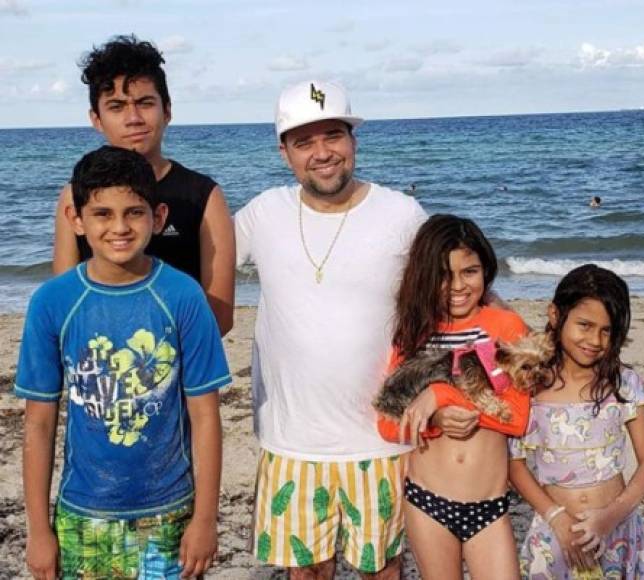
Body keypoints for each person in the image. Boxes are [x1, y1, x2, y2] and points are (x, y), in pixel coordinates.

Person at [235, 80, 428, 578]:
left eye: (333, 136)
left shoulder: (402, 213)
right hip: (291, 440)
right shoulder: (262, 214)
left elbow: (453, 298)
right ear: (284, 152)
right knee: (307, 573)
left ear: (353, 140)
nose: (322, 153)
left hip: (384, 440)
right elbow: (190, 278)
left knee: (383, 570)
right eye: (304, 141)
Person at [17, 146, 231, 580]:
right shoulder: (52, 303)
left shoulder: (183, 296)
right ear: (76, 219)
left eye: (134, 212)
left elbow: (206, 416)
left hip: (169, 514)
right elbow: (39, 423)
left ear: (159, 215)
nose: (119, 227)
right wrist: (39, 530)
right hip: (83, 516)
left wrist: (204, 520)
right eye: (102, 214)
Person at [376, 214, 532, 580]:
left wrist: (443, 394)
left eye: (470, 272)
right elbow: (386, 422)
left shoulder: (505, 327)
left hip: (489, 506)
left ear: (486, 269)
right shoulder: (414, 335)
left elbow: (517, 417)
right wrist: (433, 420)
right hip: (427, 502)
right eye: (443, 276)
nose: (457, 286)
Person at [52, 34, 235, 335]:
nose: (133, 118)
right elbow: (65, 302)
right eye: (116, 106)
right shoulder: (75, 194)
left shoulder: (203, 195)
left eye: (145, 103)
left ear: (167, 111)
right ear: (96, 119)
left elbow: (220, 317)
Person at [509, 264, 644, 578]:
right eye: (585, 325)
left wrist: (610, 517)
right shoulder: (528, 386)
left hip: (616, 531)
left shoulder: (623, 383)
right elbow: (514, 464)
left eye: (607, 330)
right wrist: (557, 518)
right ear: (554, 315)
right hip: (555, 532)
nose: (595, 339)